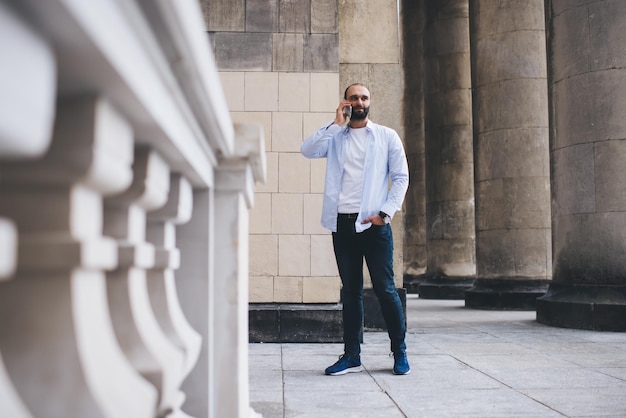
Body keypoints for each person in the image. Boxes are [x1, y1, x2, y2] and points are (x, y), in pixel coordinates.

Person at [301, 83, 410, 376]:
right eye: (353, 97)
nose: (358, 101)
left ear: (369, 102)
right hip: (342, 224)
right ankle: (352, 356)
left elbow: (401, 177)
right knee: (350, 292)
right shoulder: (336, 137)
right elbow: (307, 150)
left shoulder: (386, 137)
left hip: (373, 226)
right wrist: (334, 124)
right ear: (345, 103)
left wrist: (385, 213)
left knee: (386, 290)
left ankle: (399, 352)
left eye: (363, 97)